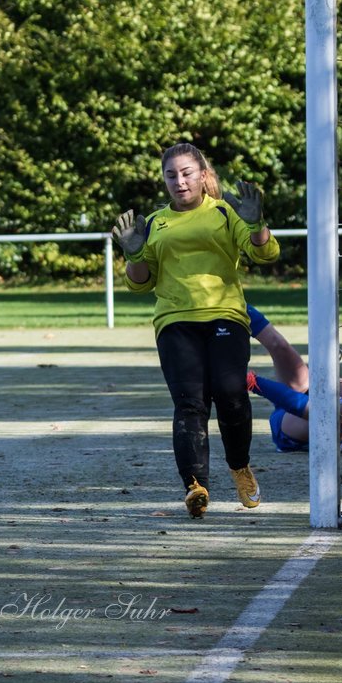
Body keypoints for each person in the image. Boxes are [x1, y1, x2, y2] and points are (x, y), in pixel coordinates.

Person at [113, 143, 280, 518]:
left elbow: (264, 254)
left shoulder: (224, 212)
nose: (179, 181)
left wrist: (256, 225)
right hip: (175, 321)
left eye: (187, 172)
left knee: (231, 394)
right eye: (171, 175)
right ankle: (195, 487)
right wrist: (134, 253)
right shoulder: (155, 222)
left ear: (203, 175)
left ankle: (239, 467)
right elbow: (139, 284)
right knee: (190, 404)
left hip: (225, 316)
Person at [246, 305, 342, 452]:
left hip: (293, 428)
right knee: (278, 345)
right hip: (302, 395)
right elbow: (329, 384)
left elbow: (334, 438)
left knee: (324, 415)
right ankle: (235, 303)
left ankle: (246, 381)